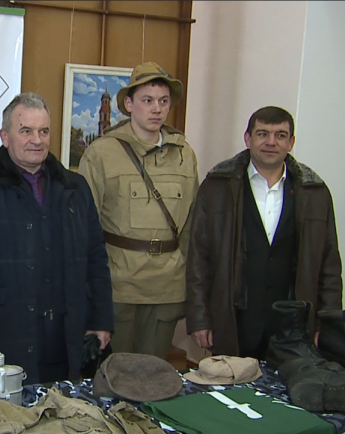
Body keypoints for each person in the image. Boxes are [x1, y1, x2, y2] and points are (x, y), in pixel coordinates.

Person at [0, 92, 114, 384]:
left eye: (43, 131)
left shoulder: (76, 189)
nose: (37, 140)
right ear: (5, 137)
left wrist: (101, 320)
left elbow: (96, 258)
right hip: (1, 337)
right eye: (26, 131)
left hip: (65, 338)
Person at [186, 106, 343, 358]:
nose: (271, 142)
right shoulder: (217, 187)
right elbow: (198, 260)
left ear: (291, 143)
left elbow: (329, 266)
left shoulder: (315, 193)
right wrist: (199, 318)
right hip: (234, 321)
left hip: (294, 326)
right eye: (263, 134)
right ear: (248, 138)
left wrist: (328, 326)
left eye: (280, 135)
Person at [78, 62, 199, 360]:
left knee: (154, 373)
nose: (156, 109)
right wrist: (90, 293)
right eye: (147, 100)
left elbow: (192, 225)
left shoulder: (184, 154)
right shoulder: (102, 152)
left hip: (166, 287)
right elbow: (83, 227)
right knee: (114, 374)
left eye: (163, 101)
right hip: (118, 288)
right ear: (129, 105)